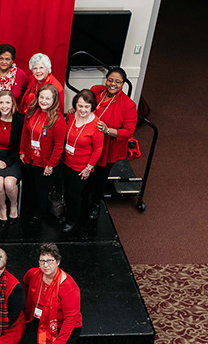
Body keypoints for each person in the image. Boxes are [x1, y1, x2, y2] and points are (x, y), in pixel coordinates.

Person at [21, 243, 82, 344]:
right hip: (39, 318)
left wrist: (58, 343)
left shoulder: (68, 286)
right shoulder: (32, 274)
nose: (46, 265)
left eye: (50, 261)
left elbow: (71, 319)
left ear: (58, 262)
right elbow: (26, 285)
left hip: (61, 325)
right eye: (42, 261)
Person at [88, 67, 138, 219]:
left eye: (118, 82)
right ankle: (83, 199)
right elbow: (84, 104)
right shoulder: (96, 91)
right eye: (110, 80)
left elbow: (129, 132)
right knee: (85, 172)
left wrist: (107, 130)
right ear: (106, 79)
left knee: (100, 176)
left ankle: (96, 203)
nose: (113, 84)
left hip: (108, 146)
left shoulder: (128, 105)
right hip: (89, 141)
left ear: (123, 84)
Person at [19, 84, 66, 224]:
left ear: (54, 101)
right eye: (41, 97)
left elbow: (59, 146)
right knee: (31, 186)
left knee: (42, 189)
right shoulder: (31, 112)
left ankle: (39, 213)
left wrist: (51, 165)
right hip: (30, 157)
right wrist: (22, 151)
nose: (44, 101)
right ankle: (32, 208)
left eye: (48, 98)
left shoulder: (57, 119)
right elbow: (25, 133)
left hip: (45, 162)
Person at [60, 89, 104, 233]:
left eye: (86, 106)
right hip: (66, 162)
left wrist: (88, 168)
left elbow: (98, 149)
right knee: (66, 191)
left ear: (92, 106)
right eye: (80, 106)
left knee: (74, 194)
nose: (83, 109)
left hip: (81, 167)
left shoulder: (96, 125)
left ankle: (72, 219)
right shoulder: (71, 116)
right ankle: (66, 213)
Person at [0, 90, 24, 226]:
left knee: (8, 183)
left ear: (13, 103)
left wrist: (7, 162)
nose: (4, 106)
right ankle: (3, 208)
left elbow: (20, 145)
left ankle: (13, 205)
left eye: (7, 102)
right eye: (1, 102)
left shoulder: (19, 119)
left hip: (12, 158)